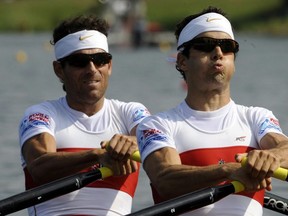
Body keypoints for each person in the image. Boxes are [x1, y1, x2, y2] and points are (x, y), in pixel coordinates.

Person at [136, 6, 288, 216]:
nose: (218, 53)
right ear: (182, 61)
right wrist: (229, 171)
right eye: (206, 46)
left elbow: (285, 148)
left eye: (227, 46)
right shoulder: (156, 125)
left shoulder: (257, 117)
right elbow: (166, 179)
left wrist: (270, 158)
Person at [18, 15, 150, 216]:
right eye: (80, 62)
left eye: (100, 60)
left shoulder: (130, 112)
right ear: (59, 70)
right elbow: (39, 166)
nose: (92, 69)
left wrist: (133, 143)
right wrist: (98, 155)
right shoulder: (41, 115)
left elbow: (161, 145)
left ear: (110, 65)